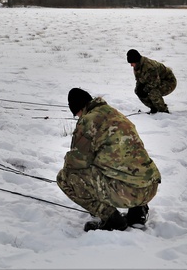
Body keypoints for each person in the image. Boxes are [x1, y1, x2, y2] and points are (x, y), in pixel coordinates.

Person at [56, 87, 161, 232]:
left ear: (79, 109)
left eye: (76, 114)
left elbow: (75, 163)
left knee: (65, 178)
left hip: (128, 193)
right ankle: (138, 213)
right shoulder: (114, 114)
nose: (78, 118)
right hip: (150, 188)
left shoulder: (88, 121)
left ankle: (112, 219)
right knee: (125, 164)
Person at [127, 49, 177, 114]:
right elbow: (139, 80)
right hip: (153, 81)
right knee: (138, 91)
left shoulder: (149, 67)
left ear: (136, 61)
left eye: (132, 63)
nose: (131, 65)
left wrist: (145, 89)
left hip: (169, 82)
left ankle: (163, 111)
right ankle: (154, 108)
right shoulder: (137, 67)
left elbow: (155, 83)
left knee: (153, 92)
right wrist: (139, 88)